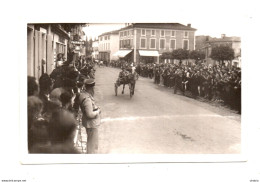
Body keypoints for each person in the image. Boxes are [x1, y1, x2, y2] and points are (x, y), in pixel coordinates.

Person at [78, 79, 101, 154]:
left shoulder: (83, 94)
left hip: (89, 124)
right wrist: (97, 112)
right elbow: (90, 114)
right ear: (91, 88)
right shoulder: (87, 99)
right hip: (91, 125)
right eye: (93, 88)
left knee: (91, 143)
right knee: (92, 146)